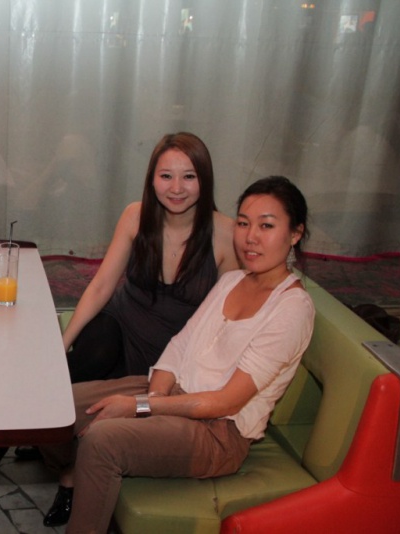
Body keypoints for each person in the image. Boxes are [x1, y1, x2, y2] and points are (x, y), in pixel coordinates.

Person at [0, 132, 239, 500]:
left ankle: (58, 452)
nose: (176, 188)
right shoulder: (136, 216)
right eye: (165, 175)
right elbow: (102, 285)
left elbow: (226, 320)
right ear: (151, 178)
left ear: (205, 178)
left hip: (170, 356)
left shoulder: (225, 234)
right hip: (120, 327)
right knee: (77, 361)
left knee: (94, 396)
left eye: (189, 176)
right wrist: (63, 343)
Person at [40, 175, 316, 532]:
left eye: (267, 226)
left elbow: (227, 402)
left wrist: (142, 408)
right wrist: (154, 401)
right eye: (244, 223)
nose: (250, 237)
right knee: (51, 407)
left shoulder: (292, 308)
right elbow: (179, 345)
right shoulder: (232, 280)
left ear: (295, 234)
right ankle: (73, 472)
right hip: (170, 395)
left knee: (102, 441)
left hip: (218, 433)